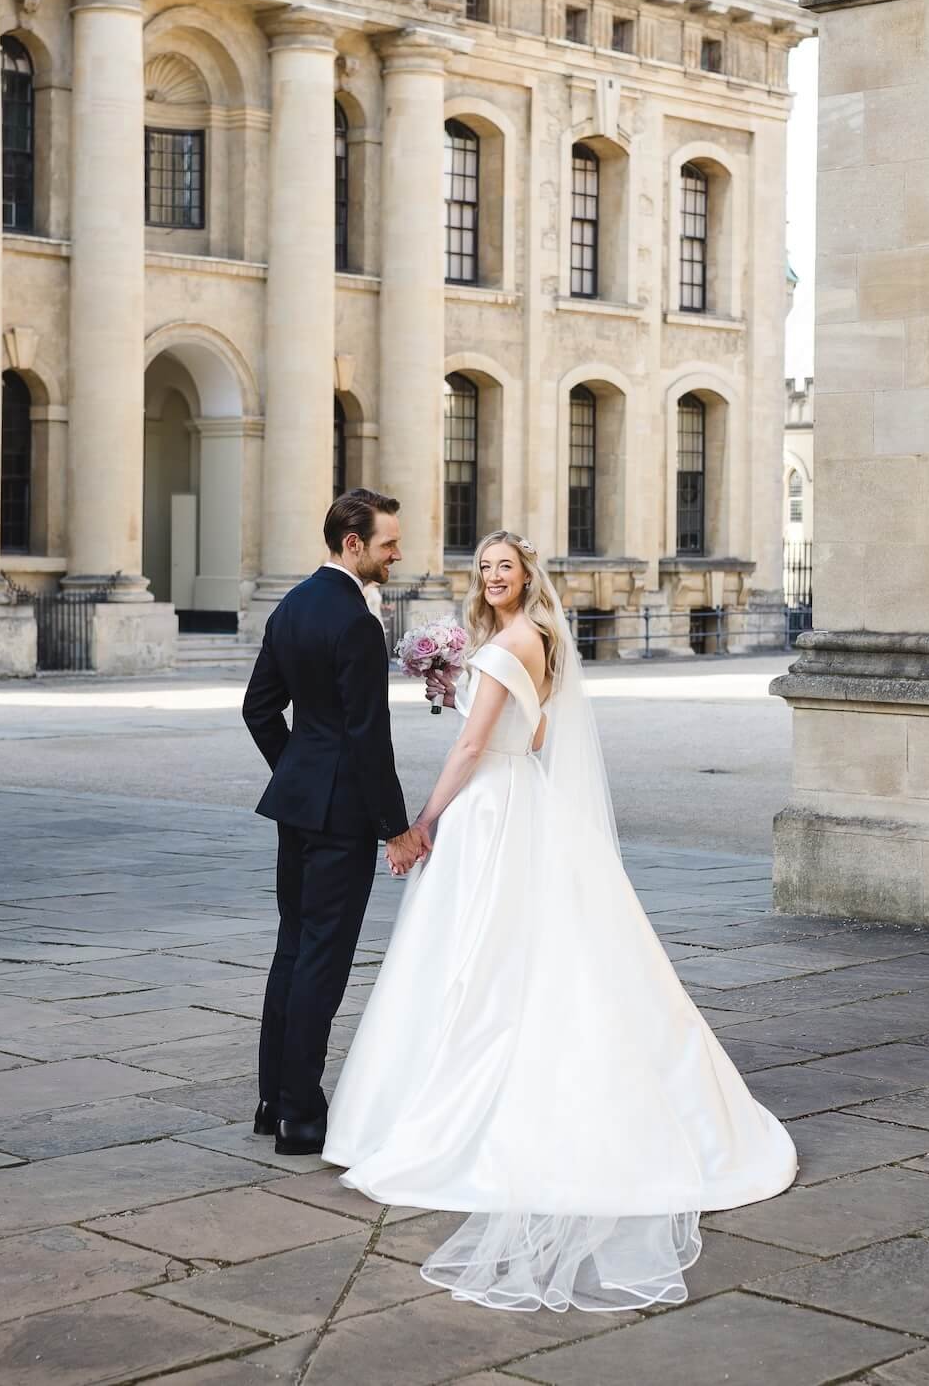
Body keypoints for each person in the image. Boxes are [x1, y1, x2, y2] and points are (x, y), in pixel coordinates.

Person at [324, 530, 797, 1312]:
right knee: (533, 950)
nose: (493, 575)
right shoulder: (538, 640)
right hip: (525, 802)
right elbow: (537, 735)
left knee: (482, 957)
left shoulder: (507, 642)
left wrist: (424, 822)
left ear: (527, 574)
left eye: (504, 566)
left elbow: (474, 744)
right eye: (483, 567)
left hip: (489, 810)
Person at [242, 489, 430, 1157]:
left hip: (296, 808)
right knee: (322, 958)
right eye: (387, 544)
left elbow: (259, 710)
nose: (396, 554)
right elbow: (367, 739)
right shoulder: (354, 621)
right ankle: (301, 1113)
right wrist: (396, 827)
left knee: (293, 947)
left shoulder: (290, 605)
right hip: (340, 815)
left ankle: (272, 1099)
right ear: (352, 544)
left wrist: (297, 772)